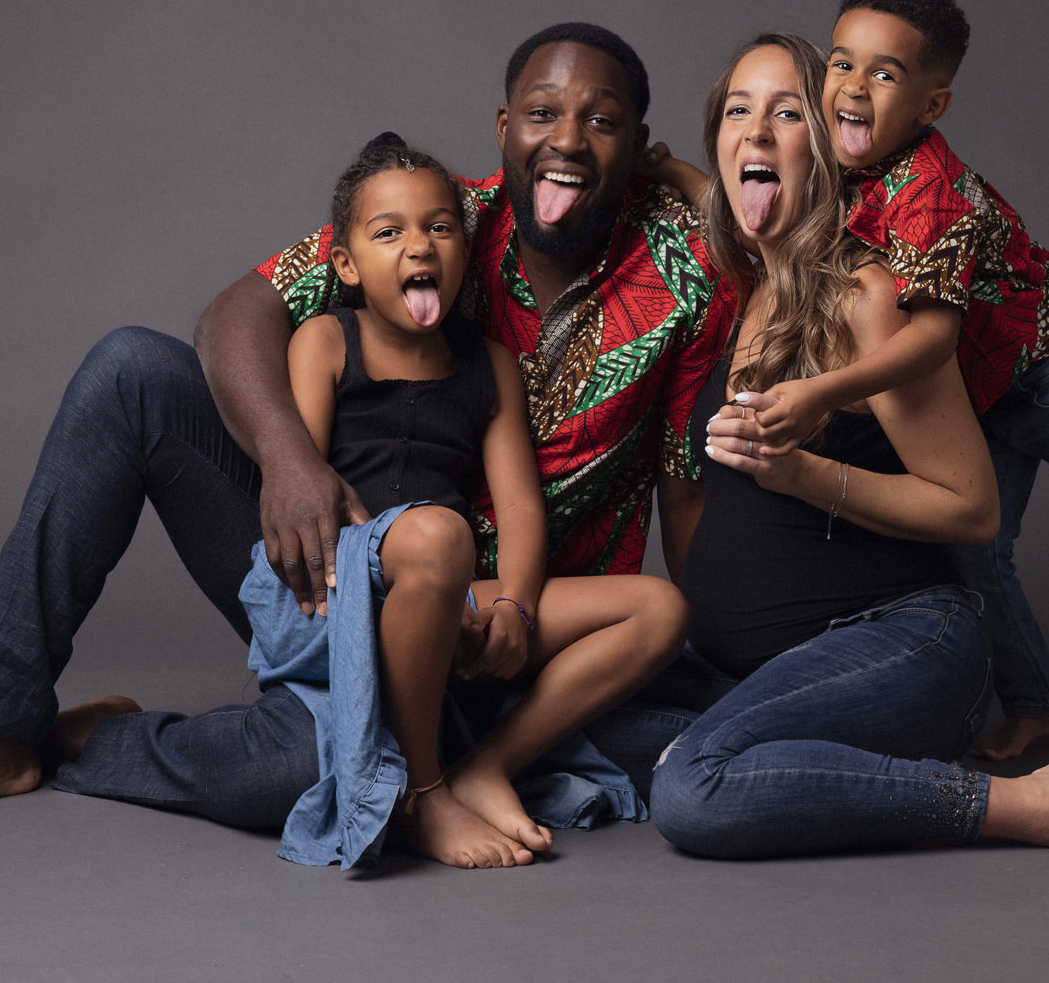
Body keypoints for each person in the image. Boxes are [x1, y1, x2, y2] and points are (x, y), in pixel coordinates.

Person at [0, 21, 731, 832]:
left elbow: (689, 479)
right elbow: (235, 314)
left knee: (692, 738)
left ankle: (128, 741)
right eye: (544, 115)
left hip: (509, 627)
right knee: (131, 371)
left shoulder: (686, 271)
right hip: (331, 561)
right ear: (506, 130)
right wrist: (289, 459)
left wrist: (688, 179)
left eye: (601, 122)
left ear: (636, 147)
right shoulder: (437, 213)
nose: (566, 140)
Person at [642, 32, 1049, 858]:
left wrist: (801, 472)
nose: (757, 132)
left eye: (786, 113)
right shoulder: (750, 289)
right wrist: (654, 166)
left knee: (690, 792)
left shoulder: (864, 297)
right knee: (571, 710)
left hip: (901, 643)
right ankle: (758, 752)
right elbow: (705, 199)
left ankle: (1035, 804)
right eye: (739, 111)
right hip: (750, 669)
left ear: (832, 146)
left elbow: (971, 507)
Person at [48, 135, 688, 868]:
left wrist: (512, 607)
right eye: (389, 233)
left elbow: (519, 511)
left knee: (659, 608)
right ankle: (423, 790)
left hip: (447, 588)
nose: (419, 246)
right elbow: (301, 491)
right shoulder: (324, 341)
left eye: (439, 228)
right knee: (437, 536)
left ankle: (488, 764)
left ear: (464, 250)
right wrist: (362, 563)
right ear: (346, 264)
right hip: (347, 580)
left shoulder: (490, 366)